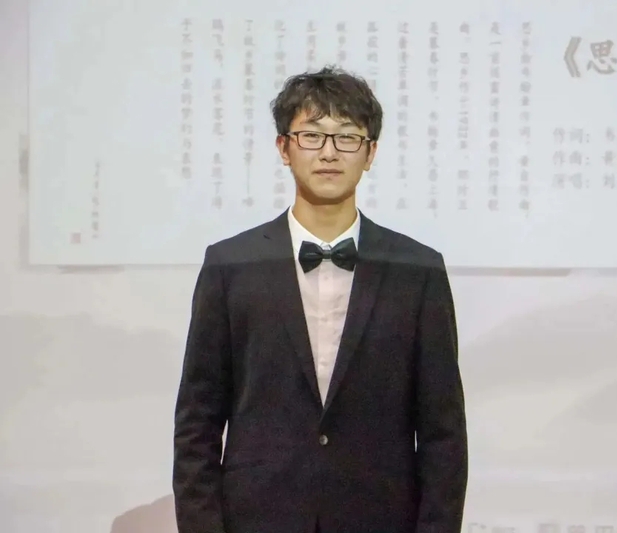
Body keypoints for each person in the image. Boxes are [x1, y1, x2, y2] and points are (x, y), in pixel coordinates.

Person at [172, 66, 468, 533]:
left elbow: (443, 433)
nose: (329, 152)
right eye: (311, 135)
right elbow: (197, 423)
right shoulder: (230, 265)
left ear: (370, 153)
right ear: (283, 147)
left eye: (347, 137)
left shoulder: (418, 270)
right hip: (258, 519)